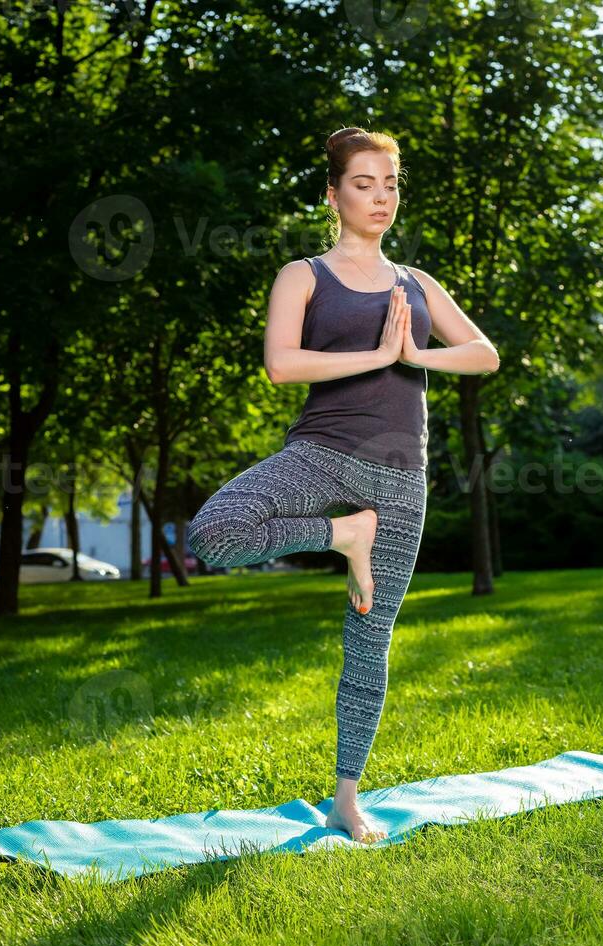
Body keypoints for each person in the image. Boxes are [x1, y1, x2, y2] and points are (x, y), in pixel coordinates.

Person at [188, 126, 500, 844]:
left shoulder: (418, 284)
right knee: (215, 530)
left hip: (400, 477)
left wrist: (415, 351)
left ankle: (345, 800)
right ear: (333, 193)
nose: (380, 197)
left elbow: (482, 354)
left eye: (390, 184)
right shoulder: (305, 275)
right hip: (322, 453)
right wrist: (374, 355)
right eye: (364, 183)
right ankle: (341, 536)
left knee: (369, 640)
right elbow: (282, 365)